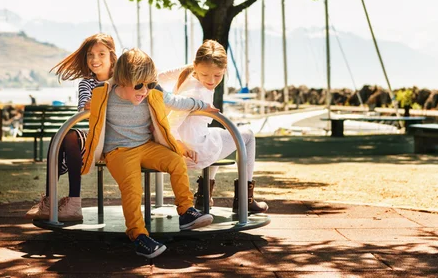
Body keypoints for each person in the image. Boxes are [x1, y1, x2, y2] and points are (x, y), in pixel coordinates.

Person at [81, 48, 217, 259]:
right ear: (122, 80)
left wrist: (203, 105)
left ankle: (186, 211)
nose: (144, 91)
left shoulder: (151, 92)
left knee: (175, 162)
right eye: (138, 85)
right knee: (133, 188)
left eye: (149, 84)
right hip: (118, 152)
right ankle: (138, 236)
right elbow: (88, 113)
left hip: (145, 146)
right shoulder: (104, 94)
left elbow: (177, 101)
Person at [158, 39, 268, 214]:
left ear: (224, 70)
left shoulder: (189, 72)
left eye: (217, 75)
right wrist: (181, 145)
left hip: (190, 145)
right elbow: (170, 124)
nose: (211, 80)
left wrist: (198, 66)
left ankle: (204, 196)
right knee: (247, 135)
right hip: (191, 151)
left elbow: (159, 77)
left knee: (216, 136)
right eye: (205, 74)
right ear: (196, 66)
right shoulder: (196, 93)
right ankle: (245, 199)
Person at [25, 33, 116, 221]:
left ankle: (71, 203)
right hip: (96, 136)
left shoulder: (121, 81)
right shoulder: (86, 83)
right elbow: (85, 106)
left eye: (101, 54)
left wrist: (101, 104)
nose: (94, 59)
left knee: (69, 136)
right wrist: (96, 104)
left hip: (117, 137)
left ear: (112, 56)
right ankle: (54, 200)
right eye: (90, 54)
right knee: (63, 137)